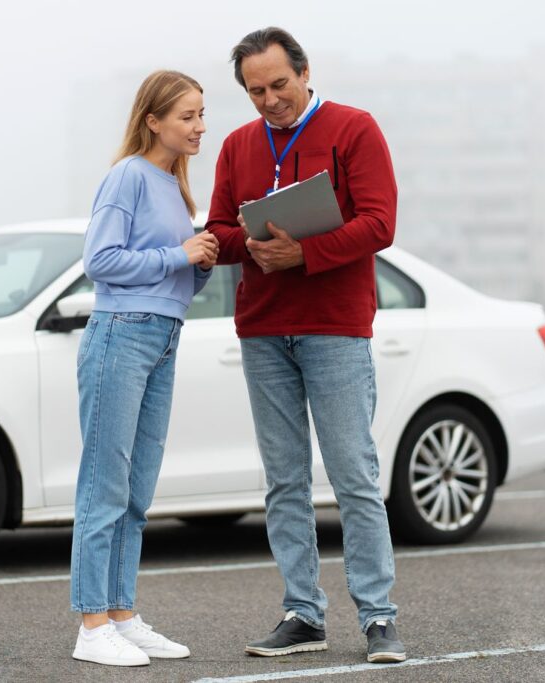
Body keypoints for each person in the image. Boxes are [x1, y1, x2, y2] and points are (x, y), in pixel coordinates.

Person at [205, 28, 406, 664]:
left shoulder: (354, 128)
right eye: (255, 91)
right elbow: (218, 230)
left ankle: (378, 617)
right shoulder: (237, 145)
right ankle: (302, 614)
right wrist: (250, 242)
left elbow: (380, 223)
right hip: (263, 330)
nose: (269, 100)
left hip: (335, 327)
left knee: (353, 475)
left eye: (279, 85)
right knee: (284, 481)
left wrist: (305, 253)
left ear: (305, 72)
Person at [69, 69, 218, 667]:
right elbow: (100, 261)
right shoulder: (127, 175)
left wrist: (200, 262)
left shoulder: (176, 188)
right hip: (120, 335)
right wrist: (178, 253)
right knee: (103, 486)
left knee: (137, 492)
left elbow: (172, 279)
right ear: (153, 121)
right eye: (187, 116)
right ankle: (91, 626)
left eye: (202, 114)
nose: (200, 126)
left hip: (163, 337)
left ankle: (122, 615)